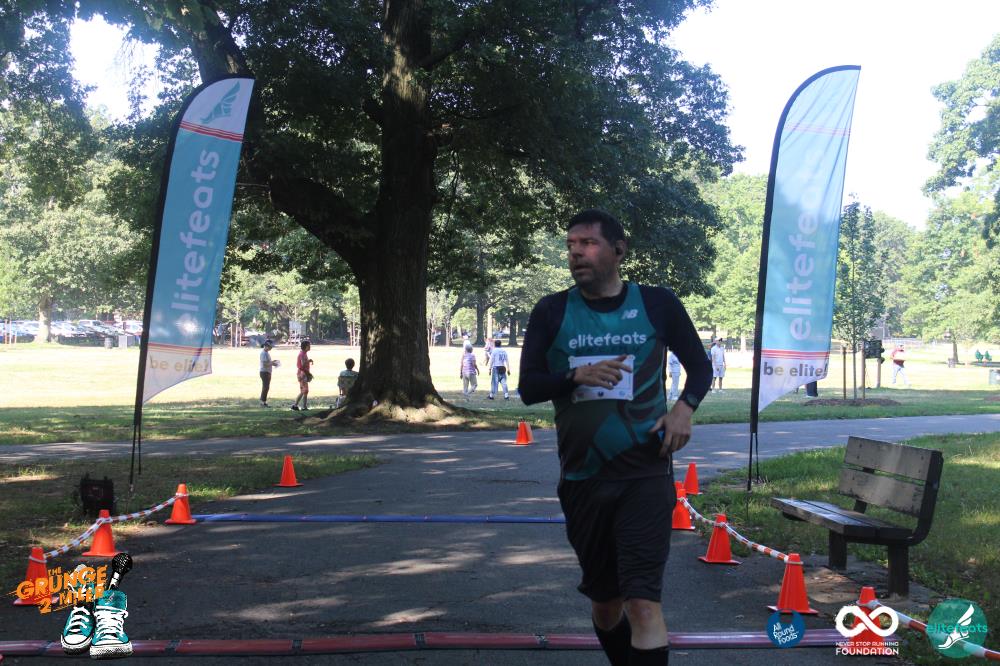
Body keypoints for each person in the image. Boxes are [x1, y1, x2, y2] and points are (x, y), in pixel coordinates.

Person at [519, 209, 711, 666]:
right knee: (606, 606)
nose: (576, 253)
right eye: (571, 245)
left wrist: (683, 409)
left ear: (619, 250)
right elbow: (529, 388)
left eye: (587, 243)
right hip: (583, 478)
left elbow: (700, 368)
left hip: (645, 472)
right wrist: (575, 375)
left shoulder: (657, 304)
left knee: (643, 604)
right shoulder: (552, 311)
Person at [291, 339, 313, 411]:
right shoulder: (302, 354)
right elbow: (303, 364)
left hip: (303, 373)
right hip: (302, 373)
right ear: (305, 347)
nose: (310, 347)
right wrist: (308, 361)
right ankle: (303, 406)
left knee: (303, 391)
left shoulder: (304, 353)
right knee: (305, 390)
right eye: (308, 346)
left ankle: (296, 405)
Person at [258, 339, 278, 407]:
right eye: (270, 347)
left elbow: (267, 363)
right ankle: (262, 402)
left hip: (267, 372)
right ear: (266, 346)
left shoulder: (266, 353)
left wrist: (273, 363)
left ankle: (263, 401)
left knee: (266, 387)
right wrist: (272, 363)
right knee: (265, 387)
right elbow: (264, 364)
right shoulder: (263, 353)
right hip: (264, 372)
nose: (271, 348)